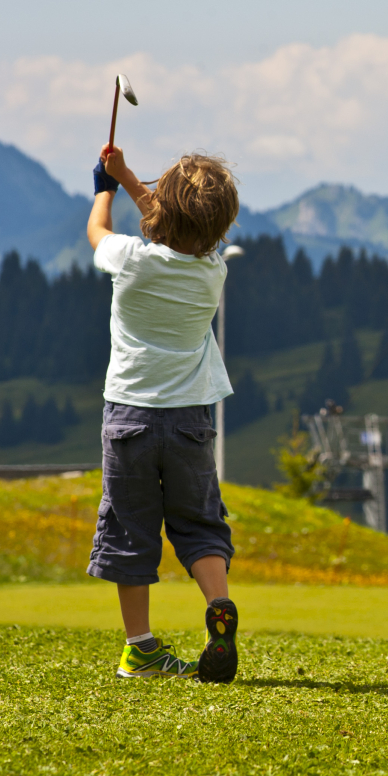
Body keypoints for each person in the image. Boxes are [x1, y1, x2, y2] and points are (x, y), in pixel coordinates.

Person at [85, 144, 241, 682]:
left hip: (129, 415)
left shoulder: (130, 258)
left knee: (130, 529)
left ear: (160, 217)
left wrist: (105, 190)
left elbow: (97, 234)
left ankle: (141, 647)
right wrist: (128, 174)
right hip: (191, 421)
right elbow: (174, 223)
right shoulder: (212, 271)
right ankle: (217, 604)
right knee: (199, 523)